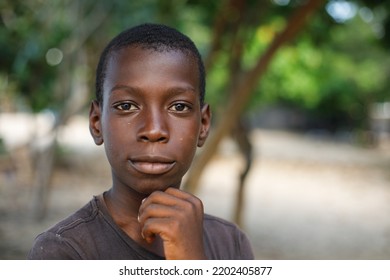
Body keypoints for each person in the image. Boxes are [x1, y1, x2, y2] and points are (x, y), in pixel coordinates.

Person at [28, 23, 254, 260]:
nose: (154, 130)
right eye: (126, 106)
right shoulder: (64, 251)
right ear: (96, 122)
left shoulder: (230, 244)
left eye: (179, 106)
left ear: (203, 125)